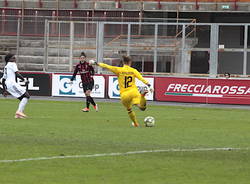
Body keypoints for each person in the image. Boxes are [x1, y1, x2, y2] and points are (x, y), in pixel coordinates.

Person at [92, 55, 153, 127]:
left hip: (124, 95)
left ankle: (136, 124)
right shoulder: (133, 70)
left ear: (123, 62)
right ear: (130, 62)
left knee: (129, 109)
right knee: (142, 108)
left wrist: (96, 63)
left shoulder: (119, 70)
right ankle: (142, 96)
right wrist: (149, 85)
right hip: (134, 91)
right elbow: (141, 78)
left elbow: (107, 66)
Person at [1, 53, 30, 119]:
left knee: (23, 98)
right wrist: (24, 80)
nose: (15, 59)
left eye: (14, 58)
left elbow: (3, 79)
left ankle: (18, 115)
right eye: (13, 58)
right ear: (9, 59)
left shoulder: (6, 67)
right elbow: (17, 74)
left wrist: (4, 90)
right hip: (12, 84)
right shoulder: (12, 64)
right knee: (27, 96)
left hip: (8, 85)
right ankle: (19, 112)